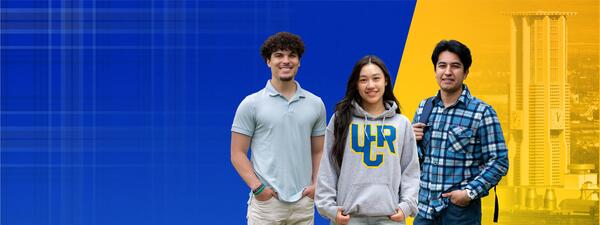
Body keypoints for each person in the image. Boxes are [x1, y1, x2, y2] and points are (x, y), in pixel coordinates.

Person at [230, 31, 327, 225]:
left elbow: (318, 151)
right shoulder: (251, 104)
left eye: (292, 55)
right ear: (268, 61)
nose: (286, 61)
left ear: (299, 61)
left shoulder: (315, 104)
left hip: (303, 205)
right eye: (279, 55)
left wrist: (316, 185)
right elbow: (237, 153)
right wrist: (258, 188)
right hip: (266, 206)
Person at [411, 40, 509, 225]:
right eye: (442, 66)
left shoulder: (481, 112)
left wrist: (469, 193)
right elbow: (416, 161)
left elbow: (499, 161)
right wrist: (411, 142)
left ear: (465, 72)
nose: (447, 72)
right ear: (435, 71)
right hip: (425, 210)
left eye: (455, 66)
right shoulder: (424, 108)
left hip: (459, 213)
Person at [315, 55, 420, 225]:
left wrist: (406, 206)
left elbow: (410, 171)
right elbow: (328, 165)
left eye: (376, 78)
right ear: (356, 85)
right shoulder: (341, 119)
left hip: (390, 217)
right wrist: (329, 208)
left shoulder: (402, 123)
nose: (370, 85)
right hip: (348, 217)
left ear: (385, 81)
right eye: (363, 80)